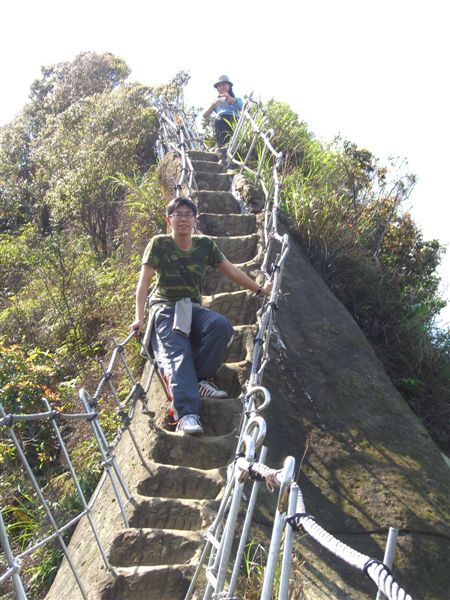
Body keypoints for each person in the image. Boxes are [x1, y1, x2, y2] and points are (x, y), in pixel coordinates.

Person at [131, 196, 272, 435]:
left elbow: (232, 271)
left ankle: (201, 379)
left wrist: (259, 289)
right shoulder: (159, 244)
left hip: (192, 308)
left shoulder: (204, 245)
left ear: (195, 220)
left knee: (221, 326)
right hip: (165, 308)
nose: (183, 219)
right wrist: (140, 318)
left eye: (188, 214)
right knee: (178, 354)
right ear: (170, 220)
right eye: (178, 214)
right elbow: (143, 283)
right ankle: (187, 414)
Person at [203, 75, 243, 149]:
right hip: (221, 121)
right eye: (219, 85)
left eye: (224, 84)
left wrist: (231, 100)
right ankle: (222, 153)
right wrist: (213, 104)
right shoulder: (216, 101)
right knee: (223, 142)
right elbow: (205, 114)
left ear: (229, 86)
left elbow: (242, 107)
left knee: (235, 142)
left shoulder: (237, 99)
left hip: (235, 121)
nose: (222, 87)